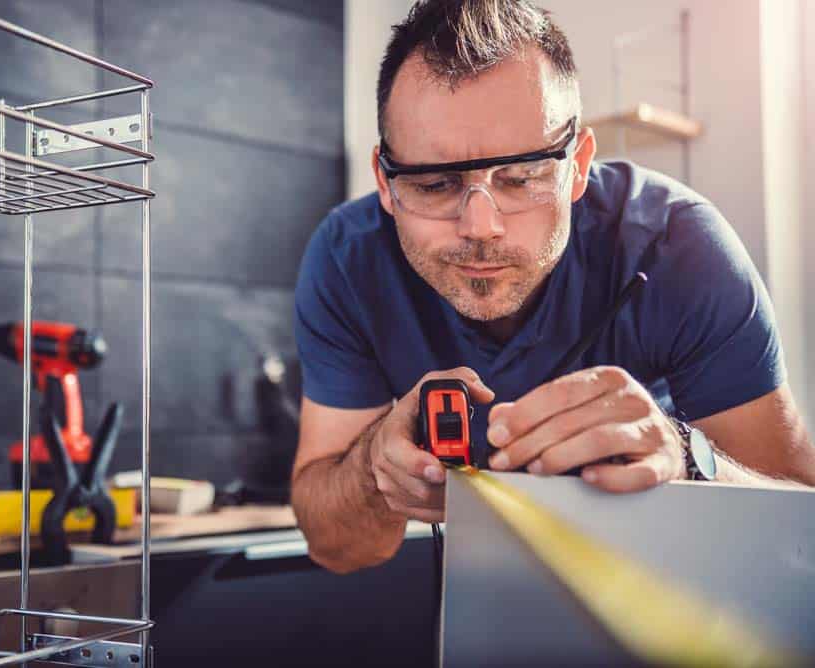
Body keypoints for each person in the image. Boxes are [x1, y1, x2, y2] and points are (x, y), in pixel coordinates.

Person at [290, 0, 815, 574]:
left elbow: (801, 532)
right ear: (386, 186)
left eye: (522, 178)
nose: (480, 227)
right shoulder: (347, 260)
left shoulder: (678, 247)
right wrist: (373, 470)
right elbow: (336, 546)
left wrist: (689, 459)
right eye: (435, 184)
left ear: (578, 165)